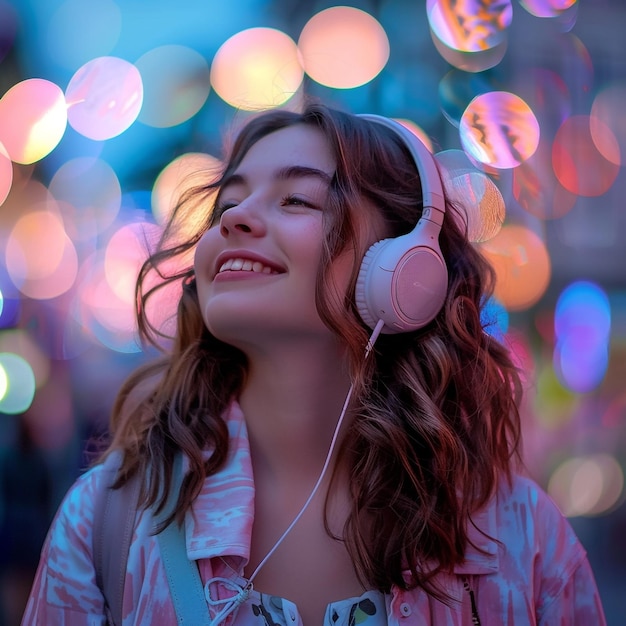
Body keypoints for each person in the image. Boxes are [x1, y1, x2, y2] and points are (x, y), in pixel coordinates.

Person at [22, 102, 606, 625]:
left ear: (405, 270)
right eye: (228, 203)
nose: (233, 219)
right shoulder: (104, 520)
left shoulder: (521, 538)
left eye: (296, 199)